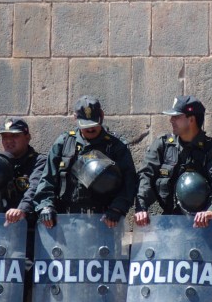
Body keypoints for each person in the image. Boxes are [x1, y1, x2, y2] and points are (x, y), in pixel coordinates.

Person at [34, 96, 137, 229]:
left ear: (102, 116)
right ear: (75, 118)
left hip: (104, 222)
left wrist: (117, 208)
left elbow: (129, 183)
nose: (90, 129)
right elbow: (47, 179)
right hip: (67, 222)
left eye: (94, 124)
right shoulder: (64, 143)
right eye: (85, 125)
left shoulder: (116, 146)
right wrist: (45, 206)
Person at [135, 95, 212, 229]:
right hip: (172, 226)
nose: (171, 120)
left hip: (204, 227)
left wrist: (211, 210)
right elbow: (146, 175)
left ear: (191, 119)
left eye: (176, 117)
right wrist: (141, 207)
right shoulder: (163, 145)